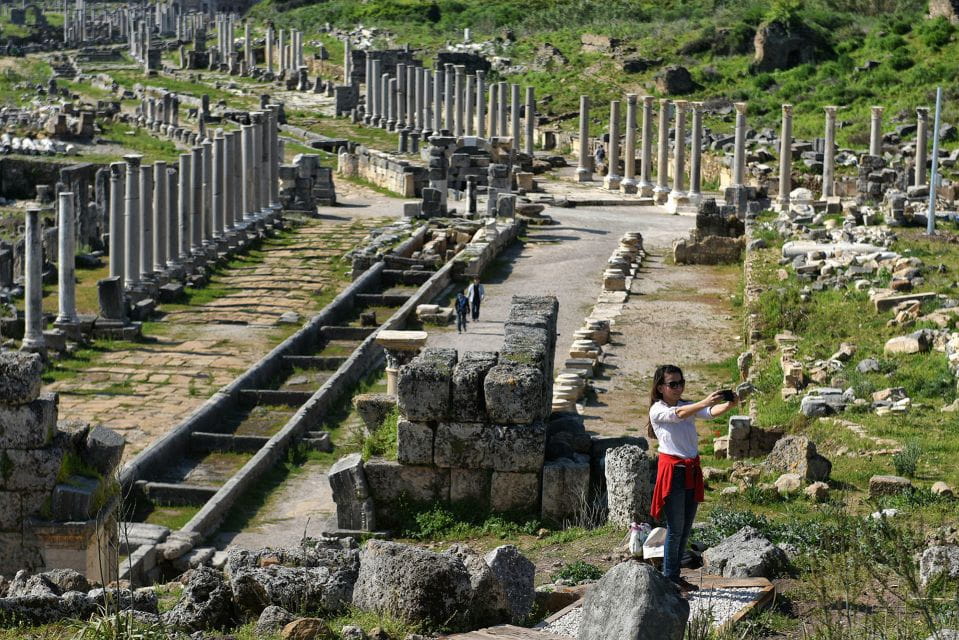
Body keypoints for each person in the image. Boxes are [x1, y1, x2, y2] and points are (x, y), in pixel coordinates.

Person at [647, 364, 738, 593]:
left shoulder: (686, 405)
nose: (678, 387)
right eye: (673, 384)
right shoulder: (657, 410)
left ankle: (675, 576)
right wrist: (705, 402)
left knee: (685, 528)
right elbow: (678, 415)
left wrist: (728, 404)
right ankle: (669, 578)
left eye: (681, 382)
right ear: (660, 388)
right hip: (674, 472)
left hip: (690, 470)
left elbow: (707, 413)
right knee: (675, 528)